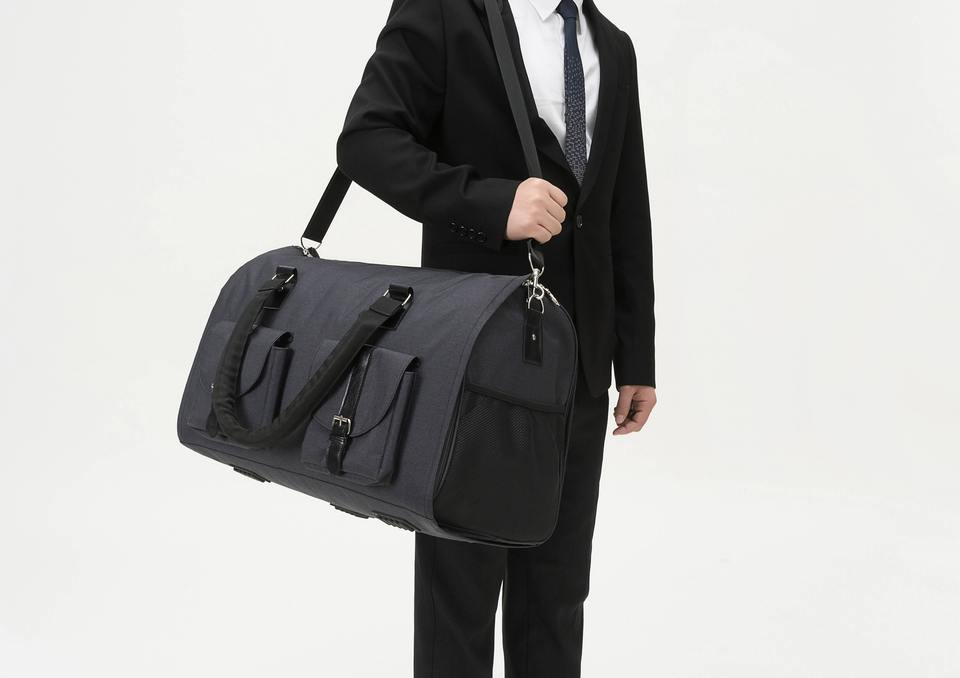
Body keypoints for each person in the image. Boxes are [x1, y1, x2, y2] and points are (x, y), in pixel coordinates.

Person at [335, 0, 656, 675]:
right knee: (459, 590)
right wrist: (491, 203)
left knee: (558, 593)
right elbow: (367, 139)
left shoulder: (614, 45)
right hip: (471, 358)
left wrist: (637, 356)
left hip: (579, 362)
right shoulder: (446, 12)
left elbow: (624, 206)